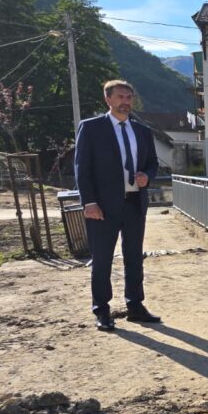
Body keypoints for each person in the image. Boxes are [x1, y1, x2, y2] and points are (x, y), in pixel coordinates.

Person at [74, 80, 161, 331]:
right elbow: (82, 169)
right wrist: (89, 202)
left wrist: (147, 175)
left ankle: (135, 306)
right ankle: (102, 310)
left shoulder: (142, 131)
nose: (126, 101)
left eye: (129, 97)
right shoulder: (91, 128)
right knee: (102, 259)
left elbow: (153, 163)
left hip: (134, 203)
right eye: (121, 96)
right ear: (108, 100)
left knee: (134, 257)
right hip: (102, 207)